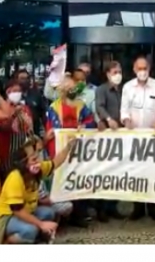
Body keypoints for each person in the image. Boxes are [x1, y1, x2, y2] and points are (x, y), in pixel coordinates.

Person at [0, 136, 77, 244]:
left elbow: (55, 163)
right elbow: (17, 210)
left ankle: (34, 236)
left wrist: (68, 147)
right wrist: (41, 224)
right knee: (30, 230)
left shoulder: (36, 170)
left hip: (27, 210)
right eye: (34, 159)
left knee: (49, 213)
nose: (38, 161)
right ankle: (8, 241)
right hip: (9, 217)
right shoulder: (15, 178)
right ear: (24, 163)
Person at [120, 56, 155, 221]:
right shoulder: (128, 87)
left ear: (149, 69)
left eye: (145, 68)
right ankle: (138, 207)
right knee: (135, 172)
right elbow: (124, 109)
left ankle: (153, 208)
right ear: (134, 70)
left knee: (153, 172)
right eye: (139, 68)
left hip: (154, 137)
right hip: (134, 138)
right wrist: (126, 120)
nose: (142, 71)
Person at [44, 76, 94, 227]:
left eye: (73, 88)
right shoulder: (54, 107)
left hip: (78, 151)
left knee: (79, 181)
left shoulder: (81, 105)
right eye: (68, 88)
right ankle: (63, 216)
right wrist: (49, 138)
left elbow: (91, 122)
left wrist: (86, 127)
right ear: (62, 90)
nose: (71, 91)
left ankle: (79, 215)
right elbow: (49, 129)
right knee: (62, 182)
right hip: (60, 151)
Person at [94, 61, 125, 222]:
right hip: (107, 135)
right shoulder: (102, 89)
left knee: (118, 173)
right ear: (107, 74)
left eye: (119, 71)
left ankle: (114, 207)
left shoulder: (125, 89)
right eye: (114, 72)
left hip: (122, 136)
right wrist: (108, 119)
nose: (118, 74)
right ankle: (102, 210)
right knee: (105, 173)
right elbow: (99, 107)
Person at [6, 80, 35, 166]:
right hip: (7, 146)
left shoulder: (25, 108)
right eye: (15, 91)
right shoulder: (3, 107)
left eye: (19, 91)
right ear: (8, 92)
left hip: (24, 146)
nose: (18, 93)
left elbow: (30, 129)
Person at [15, 69, 46, 136]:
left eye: (27, 78)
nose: (25, 81)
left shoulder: (36, 94)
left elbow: (43, 113)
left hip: (34, 133)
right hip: (17, 134)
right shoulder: (12, 95)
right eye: (22, 78)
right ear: (17, 80)